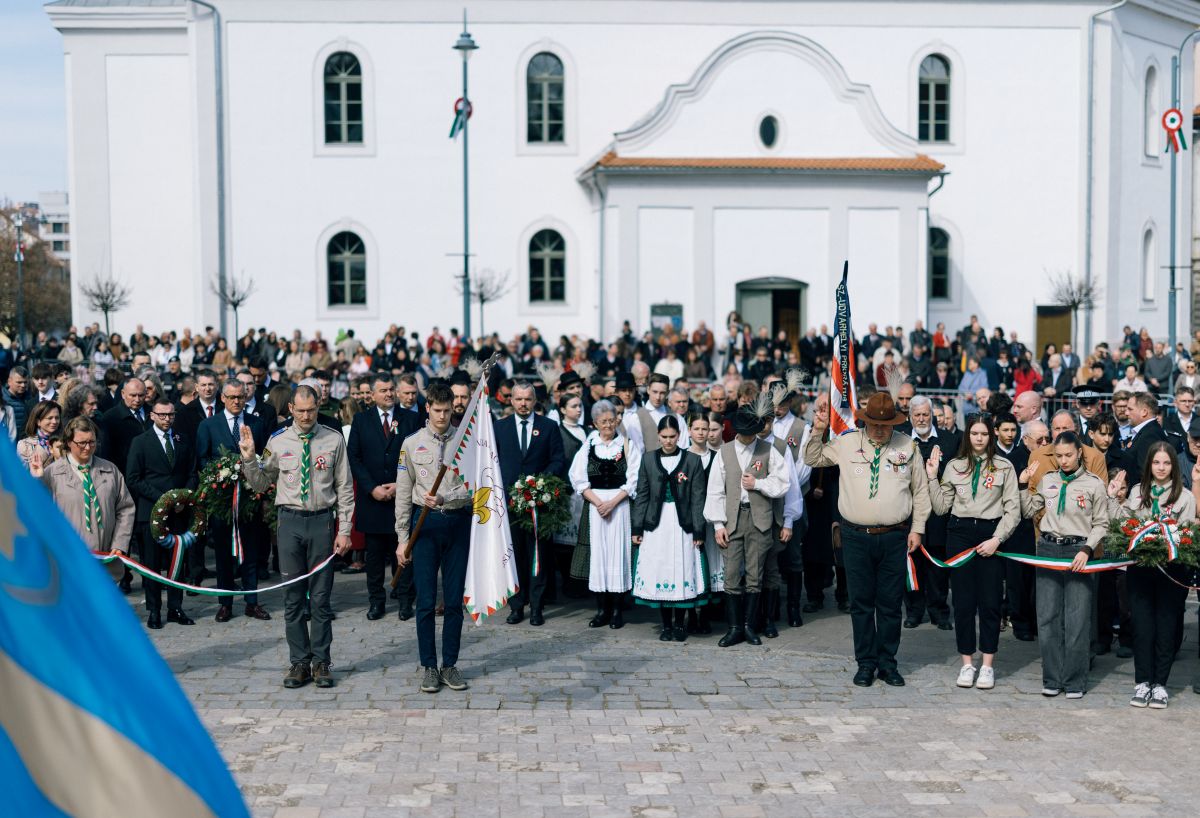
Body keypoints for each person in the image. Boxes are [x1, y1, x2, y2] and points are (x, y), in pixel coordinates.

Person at [804, 392, 930, 687]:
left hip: (895, 536)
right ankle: (865, 663)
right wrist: (819, 430)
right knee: (861, 603)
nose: (880, 430)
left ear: (894, 424)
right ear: (865, 422)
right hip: (856, 536)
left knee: (889, 603)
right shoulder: (847, 443)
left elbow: (920, 491)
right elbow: (813, 458)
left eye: (886, 425)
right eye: (874, 424)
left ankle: (888, 663)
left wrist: (918, 528)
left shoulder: (907, 446)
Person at [241, 384, 354, 689]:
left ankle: (321, 662)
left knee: (319, 599)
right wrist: (250, 459)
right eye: (300, 410)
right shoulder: (277, 440)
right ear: (290, 408)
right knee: (292, 599)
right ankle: (299, 663)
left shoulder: (333, 439)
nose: (306, 416)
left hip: (321, 522)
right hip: (289, 522)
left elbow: (344, 488)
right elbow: (261, 483)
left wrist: (344, 530)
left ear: (319, 407)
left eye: (311, 410)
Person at [925, 414, 1020, 690]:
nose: (979, 438)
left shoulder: (1004, 467)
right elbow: (942, 507)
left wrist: (997, 539)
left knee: (990, 603)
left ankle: (988, 665)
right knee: (964, 603)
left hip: (990, 535)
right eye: (975, 433)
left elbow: (1013, 510)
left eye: (984, 434)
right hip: (960, 534)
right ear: (968, 436)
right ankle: (967, 663)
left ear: (992, 436)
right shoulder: (955, 466)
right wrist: (932, 477)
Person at [393, 382, 473, 694]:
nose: (442, 416)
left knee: (453, 601)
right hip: (423, 527)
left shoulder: (466, 443)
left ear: (454, 408)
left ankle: (449, 664)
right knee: (425, 601)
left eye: (447, 410)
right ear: (427, 408)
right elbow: (402, 492)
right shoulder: (411, 443)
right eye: (436, 410)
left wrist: (445, 497)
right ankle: (429, 665)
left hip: (456, 523)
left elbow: (476, 487)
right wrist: (402, 538)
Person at [1017, 431, 1109, 698]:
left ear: (1079, 453)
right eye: (1058, 456)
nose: (1063, 461)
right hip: (1048, 549)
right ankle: (1052, 678)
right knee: (1047, 618)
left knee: (1078, 619)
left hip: (1077, 550)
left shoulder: (1093, 484)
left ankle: (1075, 680)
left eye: (1068, 455)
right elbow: (1028, 511)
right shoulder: (1048, 480)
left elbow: (1101, 523)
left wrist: (1086, 549)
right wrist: (1024, 486)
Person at [1107, 443, 1196, 708]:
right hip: (1141, 568)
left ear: (1173, 466)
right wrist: (1113, 498)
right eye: (1156, 463)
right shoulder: (1138, 492)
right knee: (1143, 627)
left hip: (1171, 569)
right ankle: (1142, 682)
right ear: (1149, 465)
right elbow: (1122, 524)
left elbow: (1187, 534)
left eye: (1166, 463)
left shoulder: (1185, 497)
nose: (1161, 468)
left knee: (1166, 627)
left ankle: (1160, 684)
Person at [703, 402, 790, 647]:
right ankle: (734, 628)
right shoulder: (725, 452)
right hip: (733, 519)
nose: (747, 436)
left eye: (751, 431)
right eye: (743, 431)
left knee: (756, 575)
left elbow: (784, 483)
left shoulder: (769, 450)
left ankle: (750, 627)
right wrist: (718, 524)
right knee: (731, 575)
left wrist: (759, 484)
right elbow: (715, 491)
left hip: (760, 519)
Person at [196, 380, 271, 622]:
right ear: (223, 398)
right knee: (223, 554)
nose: (237, 401)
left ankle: (252, 601)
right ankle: (225, 603)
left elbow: (265, 457)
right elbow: (202, 460)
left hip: (250, 497)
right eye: (232, 397)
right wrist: (223, 471)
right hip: (222, 499)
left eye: (241, 396)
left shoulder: (256, 423)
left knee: (251, 551)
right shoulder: (209, 425)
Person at [631, 415, 710, 641]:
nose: (668, 441)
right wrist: (637, 528)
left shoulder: (692, 461)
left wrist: (698, 531)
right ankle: (665, 625)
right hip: (656, 524)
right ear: (658, 436)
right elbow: (642, 495)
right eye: (664, 437)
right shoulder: (648, 460)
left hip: (682, 523)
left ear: (679, 435)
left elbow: (698, 498)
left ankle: (680, 625)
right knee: (662, 569)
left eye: (672, 436)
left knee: (681, 568)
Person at [347, 374, 419, 621]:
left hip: (403, 497)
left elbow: (418, 456)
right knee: (375, 556)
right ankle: (376, 601)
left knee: (404, 552)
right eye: (383, 390)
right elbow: (354, 458)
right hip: (373, 499)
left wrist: (401, 484)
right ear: (372, 395)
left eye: (391, 389)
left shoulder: (411, 419)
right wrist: (371, 488)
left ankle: (405, 600)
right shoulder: (361, 420)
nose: (388, 394)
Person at [495, 380, 567, 626]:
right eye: (518, 399)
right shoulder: (500, 427)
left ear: (535, 401)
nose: (523, 404)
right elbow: (492, 463)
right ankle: (516, 606)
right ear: (511, 400)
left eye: (528, 399)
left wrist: (540, 484)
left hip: (538, 505)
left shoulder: (548, 427)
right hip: (510, 505)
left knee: (538, 556)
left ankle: (537, 607)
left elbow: (558, 460)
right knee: (513, 556)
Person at [125, 396, 197, 629]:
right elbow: (134, 478)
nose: (167, 419)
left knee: (177, 563)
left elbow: (192, 472)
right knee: (152, 564)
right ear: (152, 415)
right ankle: (154, 609)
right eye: (162, 415)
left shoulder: (182, 439)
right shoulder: (140, 441)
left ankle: (176, 607)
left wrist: (184, 496)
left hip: (178, 513)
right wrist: (164, 499)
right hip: (151, 512)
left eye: (171, 415)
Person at [570, 399, 642, 629]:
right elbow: (578, 478)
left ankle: (618, 610)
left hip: (619, 507)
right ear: (595, 423)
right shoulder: (588, 446)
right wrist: (599, 503)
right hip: (596, 507)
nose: (608, 425)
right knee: (599, 556)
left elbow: (633, 480)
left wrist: (612, 503)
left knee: (618, 554)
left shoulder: (628, 445)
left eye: (612, 420)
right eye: (603, 422)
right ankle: (602, 610)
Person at [32, 416, 135, 567]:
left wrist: (119, 544)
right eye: (81, 443)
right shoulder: (51, 473)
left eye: (92, 442)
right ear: (68, 442)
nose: (87, 447)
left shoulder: (109, 470)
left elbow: (125, 509)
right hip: (69, 563)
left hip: (107, 560)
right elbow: (38, 511)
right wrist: (37, 481)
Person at [904, 395, 958, 630]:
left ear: (933, 415)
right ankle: (914, 611)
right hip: (910, 513)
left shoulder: (950, 440)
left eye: (926, 414)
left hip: (939, 514)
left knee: (937, 566)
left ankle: (939, 611)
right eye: (917, 415)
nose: (922, 419)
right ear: (910, 417)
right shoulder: (901, 440)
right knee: (912, 564)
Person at [1122, 393, 1169, 486]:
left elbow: (1146, 473)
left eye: (1130, 409)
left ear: (1144, 412)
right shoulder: (1147, 431)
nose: (1126, 413)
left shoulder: (1150, 435)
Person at [16, 400, 62, 472]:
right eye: (50, 418)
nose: (54, 422)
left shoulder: (64, 442)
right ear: (38, 421)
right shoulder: (25, 445)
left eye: (57, 418)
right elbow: (22, 474)